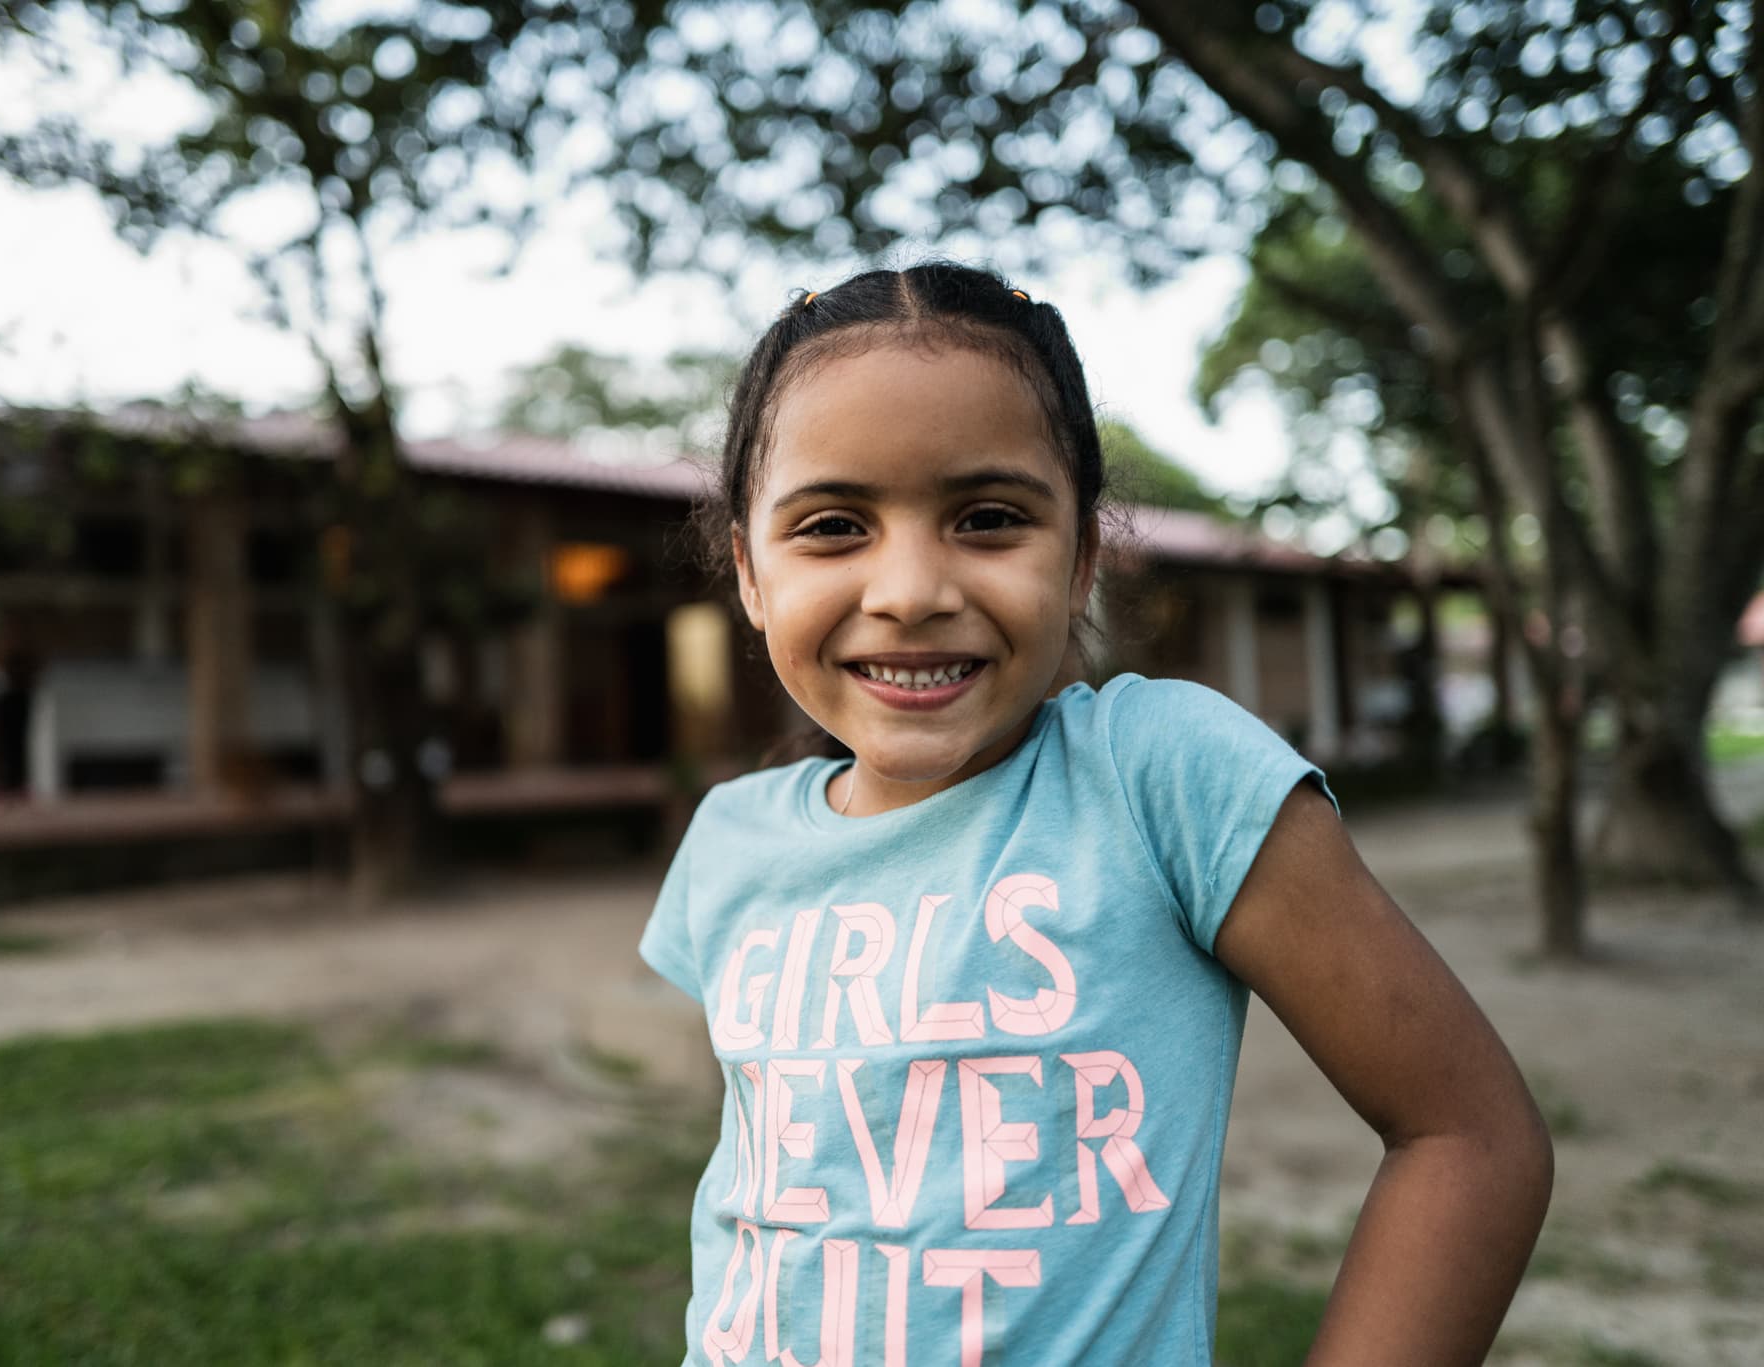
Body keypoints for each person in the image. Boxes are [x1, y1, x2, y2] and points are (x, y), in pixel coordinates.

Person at [638, 263, 1551, 1365]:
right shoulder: (729, 842)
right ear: (746, 569)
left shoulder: (1159, 776)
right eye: (832, 525)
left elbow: (1468, 1135)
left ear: (1079, 559)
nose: (909, 588)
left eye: (986, 517)